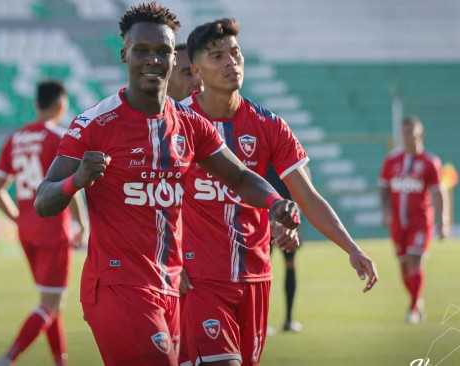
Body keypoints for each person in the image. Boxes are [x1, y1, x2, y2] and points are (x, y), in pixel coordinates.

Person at [34, 3, 303, 365]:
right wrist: (76, 181)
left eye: (162, 51)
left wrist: (275, 203)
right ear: (124, 54)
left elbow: (238, 176)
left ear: (175, 59)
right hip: (117, 285)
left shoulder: (190, 124)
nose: (152, 60)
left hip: (170, 288)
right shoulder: (94, 123)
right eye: (141, 51)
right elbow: (43, 201)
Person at [178, 18, 378, 366]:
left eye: (235, 53)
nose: (230, 62)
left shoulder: (269, 125)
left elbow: (309, 196)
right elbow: (157, 199)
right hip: (199, 279)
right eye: (217, 56)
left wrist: (352, 248)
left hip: (256, 275)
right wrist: (170, 258)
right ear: (196, 70)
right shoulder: (177, 122)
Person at [0, 79, 89, 366]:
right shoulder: (60, 136)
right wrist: (81, 224)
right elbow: (69, 185)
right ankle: (8, 359)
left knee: (49, 300)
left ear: (36, 104)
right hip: (53, 227)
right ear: (62, 105)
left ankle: (61, 362)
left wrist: (18, 219)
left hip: (27, 230)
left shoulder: (15, 138)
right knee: (51, 304)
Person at [379, 116, 449, 324]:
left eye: (410, 132)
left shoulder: (430, 162)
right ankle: (417, 302)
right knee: (403, 265)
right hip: (398, 223)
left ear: (420, 134)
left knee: (415, 260)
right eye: (404, 132)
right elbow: (383, 187)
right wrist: (385, 211)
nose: (406, 136)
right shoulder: (392, 161)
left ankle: (412, 309)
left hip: (421, 220)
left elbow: (438, 192)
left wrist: (443, 220)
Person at [266, 164, 304, 334]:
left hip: (271, 218)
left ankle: (281, 321)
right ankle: (288, 320)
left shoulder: (264, 154)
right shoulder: (287, 158)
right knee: (271, 269)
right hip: (284, 218)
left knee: (264, 269)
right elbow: (302, 188)